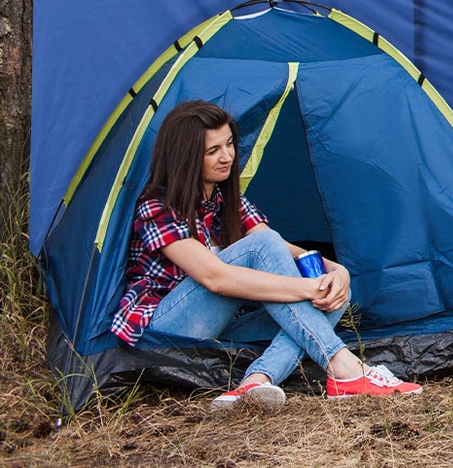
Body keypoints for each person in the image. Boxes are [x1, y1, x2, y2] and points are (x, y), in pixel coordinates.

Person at [112, 98, 425, 413]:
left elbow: (288, 250)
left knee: (334, 295)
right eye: (213, 151)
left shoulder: (226, 201)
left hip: (221, 328)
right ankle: (344, 367)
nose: (227, 156)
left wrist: (337, 273)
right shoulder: (157, 206)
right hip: (166, 328)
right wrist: (308, 289)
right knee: (270, 252)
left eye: (230, 144)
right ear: (186, 157)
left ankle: (256, 381)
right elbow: (215, 278)